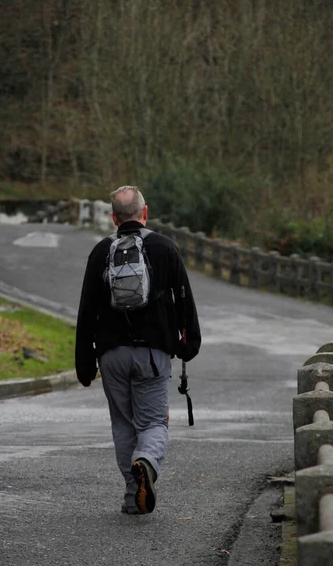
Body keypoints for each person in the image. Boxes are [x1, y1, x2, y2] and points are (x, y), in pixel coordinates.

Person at [75, 185, 201, 515]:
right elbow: (184, 299)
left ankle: (134, 496)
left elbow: (87, 309)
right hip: (153, 353)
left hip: (112, 355)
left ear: (114, 217)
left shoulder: (102, 252)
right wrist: (189, 344)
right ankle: (144, 461)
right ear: (145, 213)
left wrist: (85, 364)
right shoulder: (164, 247)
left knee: (123, 424)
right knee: (153, 424)